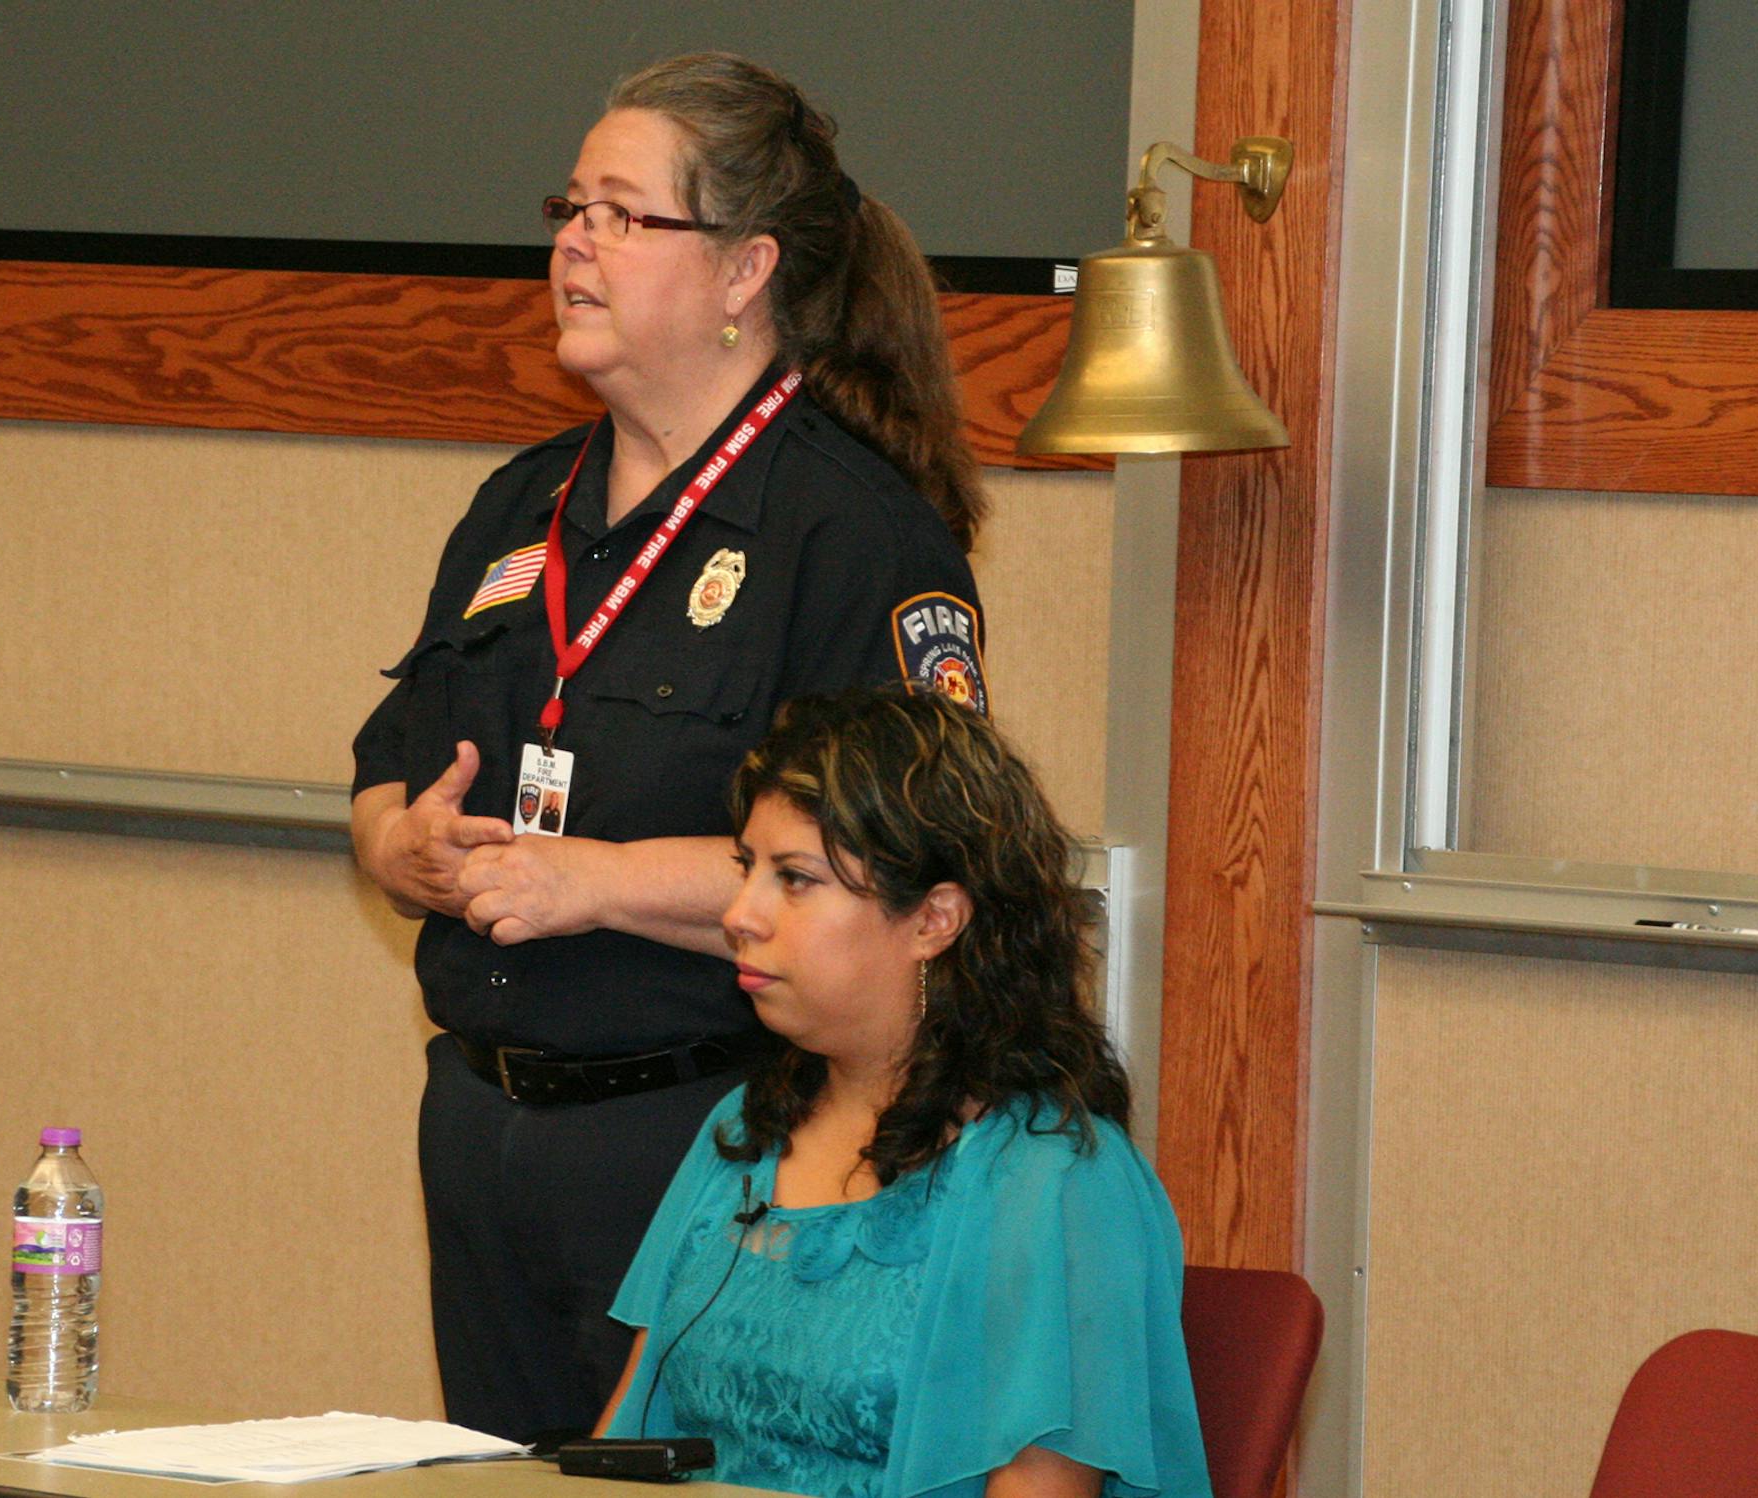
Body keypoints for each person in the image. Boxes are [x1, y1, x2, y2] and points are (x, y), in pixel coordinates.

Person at [348, 53, 991, 1442]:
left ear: (745, 271)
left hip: (707, 1131)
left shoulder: (853, 534)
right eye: (570, 207)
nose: (575, 241)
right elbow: (386, 774)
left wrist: (599, 881)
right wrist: (401, 843)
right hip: (481, 1121)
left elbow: (891, 874)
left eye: (625, 215)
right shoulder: (522, 506)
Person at [598, 687, 1212, 1498]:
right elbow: (621, 1446)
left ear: (934, 920)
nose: (740, 914)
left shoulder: (1053, 1180)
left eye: (796, 880)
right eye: (747, 870)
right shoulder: (743, 1128)